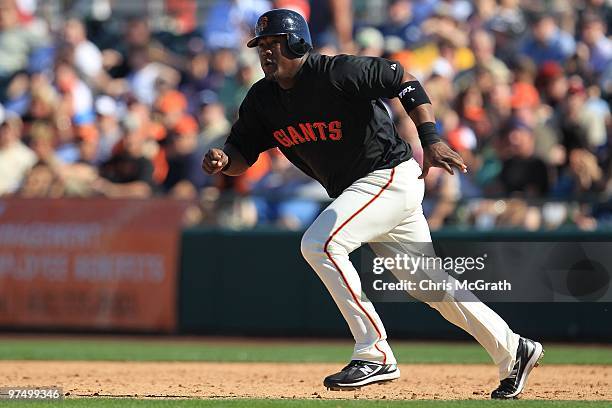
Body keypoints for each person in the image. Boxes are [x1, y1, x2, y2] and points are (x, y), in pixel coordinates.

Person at [202, 9, 544, 399]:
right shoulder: (262, 99)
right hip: (363, 191)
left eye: (274, 43)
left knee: (321, 244)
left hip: (388, 176)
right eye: (260, 45)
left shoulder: (335, 72)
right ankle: (514, 349)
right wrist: (224, 160)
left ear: (298, 42)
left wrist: (430, 137)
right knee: (430, 286)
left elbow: (402, 79)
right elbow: (242, 151)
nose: (265, 52)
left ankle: (375, 351)